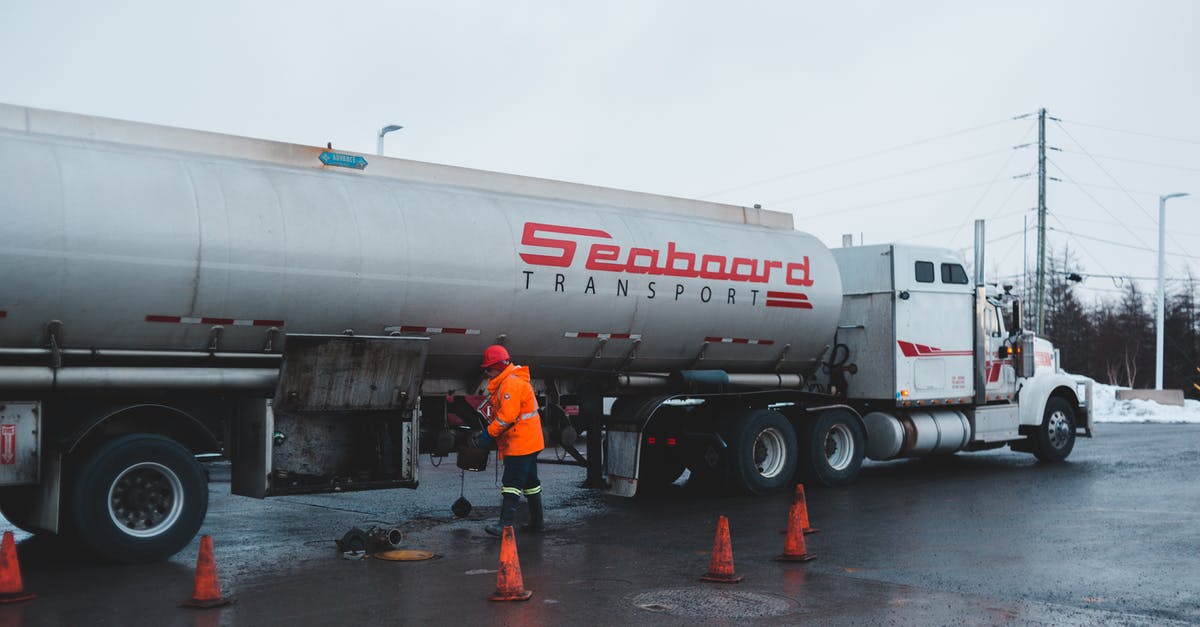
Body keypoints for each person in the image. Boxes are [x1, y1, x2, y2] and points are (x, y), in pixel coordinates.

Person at [479, 344, 545, 536]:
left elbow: (506, 417)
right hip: (530, 440)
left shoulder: (510, 384)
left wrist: (489, 433)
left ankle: (504, 526)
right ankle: (537, 522)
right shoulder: (512, 380)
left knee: (511, 483)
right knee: (531, 482)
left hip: (520, 443)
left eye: (488, 369)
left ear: (498, 366)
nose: (486, 373)